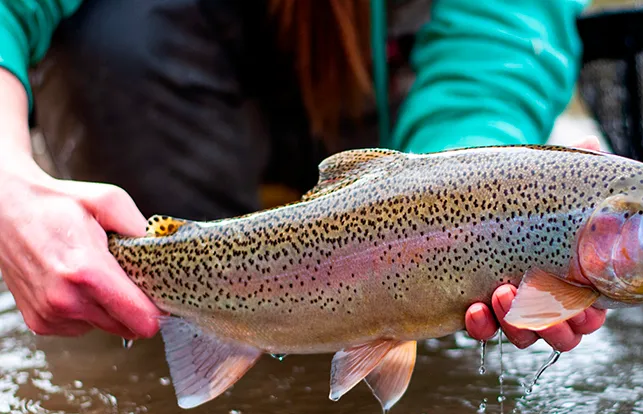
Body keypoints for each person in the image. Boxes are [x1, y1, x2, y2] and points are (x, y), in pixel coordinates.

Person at [0, 0, 606, 352]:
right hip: (150, 108)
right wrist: (10, 190)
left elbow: (494, 50)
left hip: (388, 146)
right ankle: (172, 322)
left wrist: (485, 208)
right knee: (117, 38)